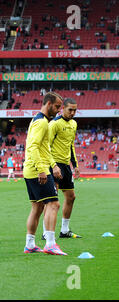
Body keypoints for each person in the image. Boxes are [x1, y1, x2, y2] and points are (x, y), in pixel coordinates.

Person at [23, 91, 67, 255]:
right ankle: (50, 243)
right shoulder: (42, 122)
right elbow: (33, 146)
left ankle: (30, 244)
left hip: (30, 169)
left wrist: (54, 165)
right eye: (57, 107)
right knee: (53, 204)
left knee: (37, 207)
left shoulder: (37, 119)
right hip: (37, 170)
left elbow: (43, 147)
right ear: (48, 104)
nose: (58, 110)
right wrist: (42, 169)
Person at [45, 98, 82, 239]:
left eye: (75, 110)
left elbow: (71, 146)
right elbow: (46, 146)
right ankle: (45, 231)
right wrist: (53, 165)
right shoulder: (54, 124)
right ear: (63, 109)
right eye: (70, 110)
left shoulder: (74, 124)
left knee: (71, 197)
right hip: (54, 165)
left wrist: (76, 165)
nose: (72, 113)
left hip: (66, 166)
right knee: (51, 200)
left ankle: (64, 230)